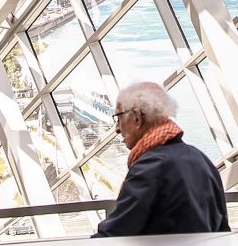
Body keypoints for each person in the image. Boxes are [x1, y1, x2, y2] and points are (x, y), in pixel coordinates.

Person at [93, 82, 228, 237]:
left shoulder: (150, 167)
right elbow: (221, 227)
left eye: (118, 118)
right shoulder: (201, 160)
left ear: (137, 117)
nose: (117, 128)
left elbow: (116, 233)